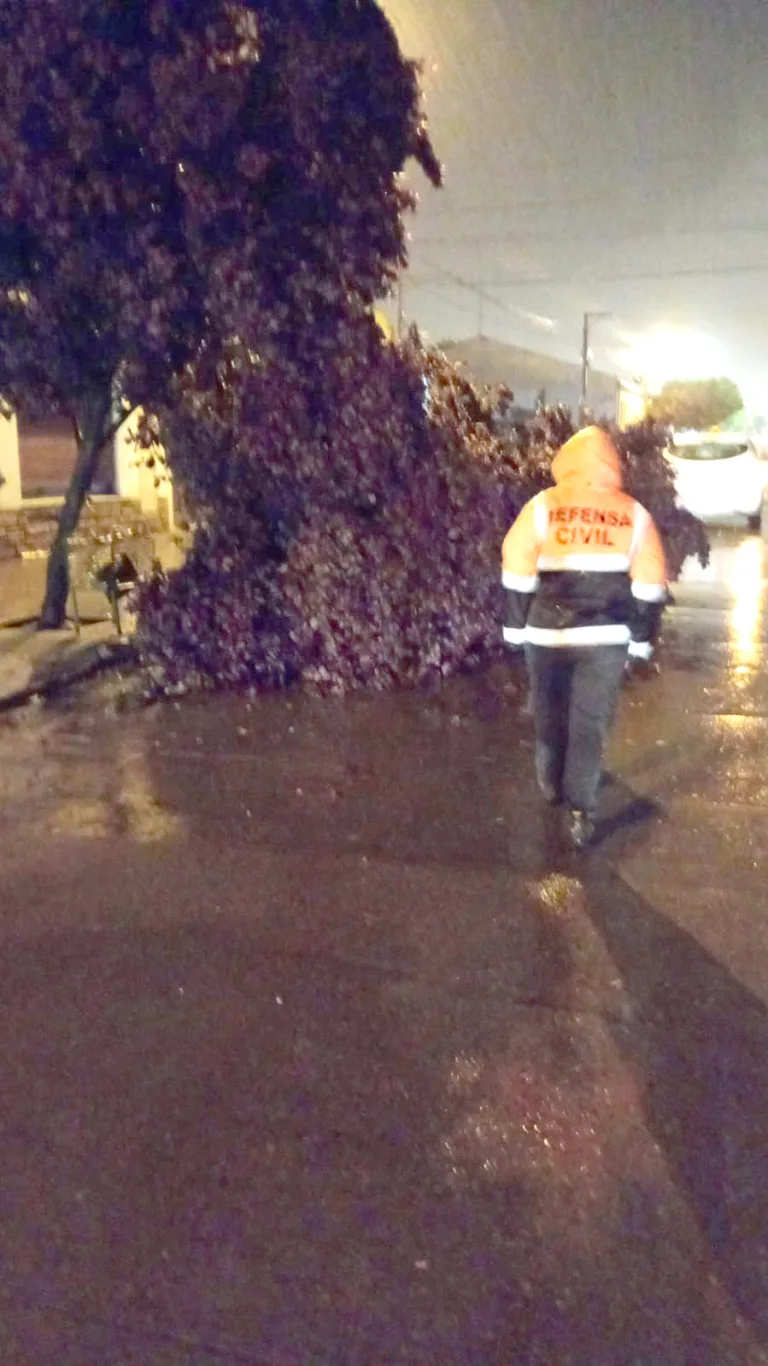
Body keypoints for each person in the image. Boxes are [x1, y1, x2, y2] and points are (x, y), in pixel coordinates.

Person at [501, 425, 667, 849]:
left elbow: (516, 563)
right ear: (613, 465)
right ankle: (580, 809)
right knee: (590, 725)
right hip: (606, 639)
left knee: (548, 714)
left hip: (546, 635)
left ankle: (551, 786)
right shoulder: (633, 514)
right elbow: (650, 581)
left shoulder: (543, 506)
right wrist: (641, 639)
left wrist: (515, 627)